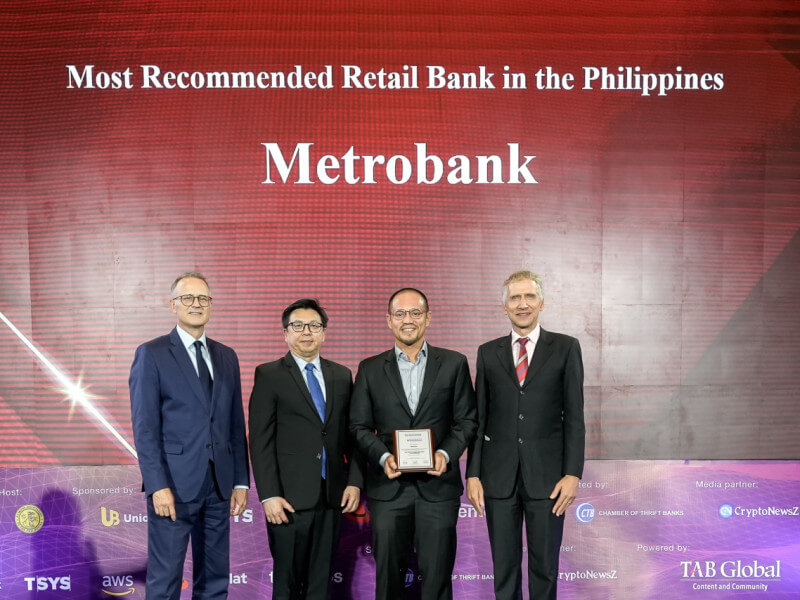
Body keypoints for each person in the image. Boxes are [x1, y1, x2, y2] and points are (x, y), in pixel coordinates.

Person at [350, 288, 477, 600]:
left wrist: (446, 454)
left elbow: (467, 421)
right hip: (387, 489)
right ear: (389, 321)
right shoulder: (369, 368)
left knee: (437, 581)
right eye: (400, 314)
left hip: (438, 490)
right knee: (389, 583)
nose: (408, 320)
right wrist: (382, 457)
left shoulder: (454, 363)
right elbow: (358, 426)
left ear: (428, 318)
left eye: (415, 313)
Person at [129, 272, 249, 600]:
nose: (196, 305)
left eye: (203, 299)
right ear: (173, 305)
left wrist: (240, 480)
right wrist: (157, 485)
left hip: (219, 485)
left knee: (214, 582)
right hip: (173, 485)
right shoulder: (151, 354)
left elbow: (235, 424)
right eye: (188, 298)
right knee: (165, 581)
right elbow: (145, 428)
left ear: (211, 304)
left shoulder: (227, 356)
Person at [466, 270, 585, 600]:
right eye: (515, 298)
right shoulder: (488, 352)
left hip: (547, 480)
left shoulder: (565, 348)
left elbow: (575, 417)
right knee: (504, 568)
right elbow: (480, 417)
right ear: (504, 306)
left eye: (529, 296)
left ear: (541, 302)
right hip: (498, 479)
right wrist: (473, 473)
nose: (522, 304)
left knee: (544, 567)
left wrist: (573, 473)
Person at [249, 298, 363, 600]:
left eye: (314, 325)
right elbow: (260, 440)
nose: (306, 332)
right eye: (297, 326)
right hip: (287, 500)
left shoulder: (341, 375)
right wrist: (269, 495)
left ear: (324, 332)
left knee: (319, 583)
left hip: (331, 496)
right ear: (286, 333)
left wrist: (353, 481)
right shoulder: (269, 374)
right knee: (286, 584)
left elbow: (350, 437)